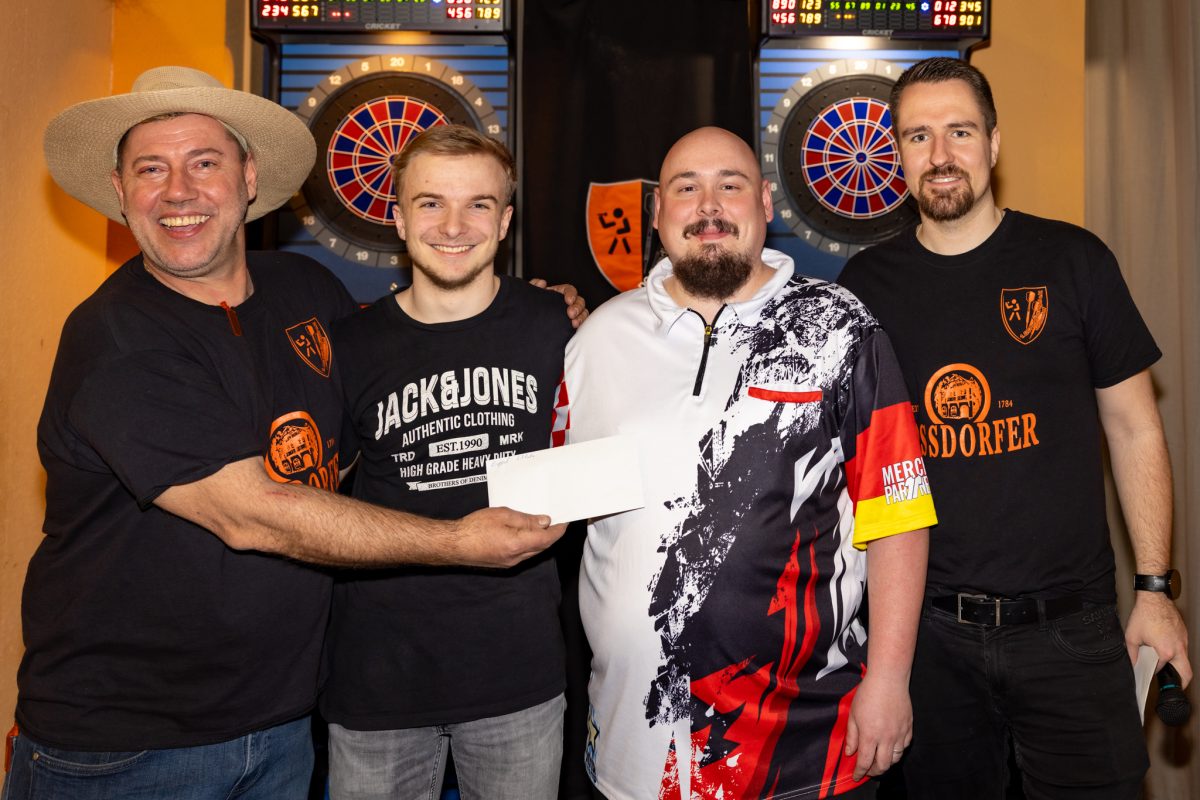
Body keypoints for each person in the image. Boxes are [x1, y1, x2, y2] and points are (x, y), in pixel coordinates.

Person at [5, 66, 584, 799]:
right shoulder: (116, 339)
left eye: (204, 163)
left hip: (279, 725)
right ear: (120, 191)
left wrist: (542, 309)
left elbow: (386, 389)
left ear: (248, 178)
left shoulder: (305, 291)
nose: (178, 192)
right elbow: (255, 514)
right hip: (129, 744)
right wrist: (459, 542)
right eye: (151, 169)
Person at [837, 57, 1192, 799]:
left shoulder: (1073, 260)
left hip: (1072, 630)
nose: (940, 155)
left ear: (994, 144)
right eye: (918, 137)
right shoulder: (864, 288)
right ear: (896, 154)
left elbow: (1135, 429)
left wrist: (1156, 589)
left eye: (960, 132)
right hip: (927, 640)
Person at [562, 126, 936, 800]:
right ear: (657, 213)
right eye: (686, 188)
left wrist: (889, 680)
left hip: (808, 744)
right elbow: (558, 508)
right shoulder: (597, 337)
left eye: (729, 185)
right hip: (632, 746)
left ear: (765, 202)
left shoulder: (839, 327)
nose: (708, 205)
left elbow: (899, 515)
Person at [321, 125, 572, 799]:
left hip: (518, 678)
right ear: (399, 219)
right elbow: (311, 505)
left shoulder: (556, 322)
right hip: (376, 683)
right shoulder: (347, 346)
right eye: (431, 203)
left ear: (505, 221)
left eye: (478, 205)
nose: (454, 226)